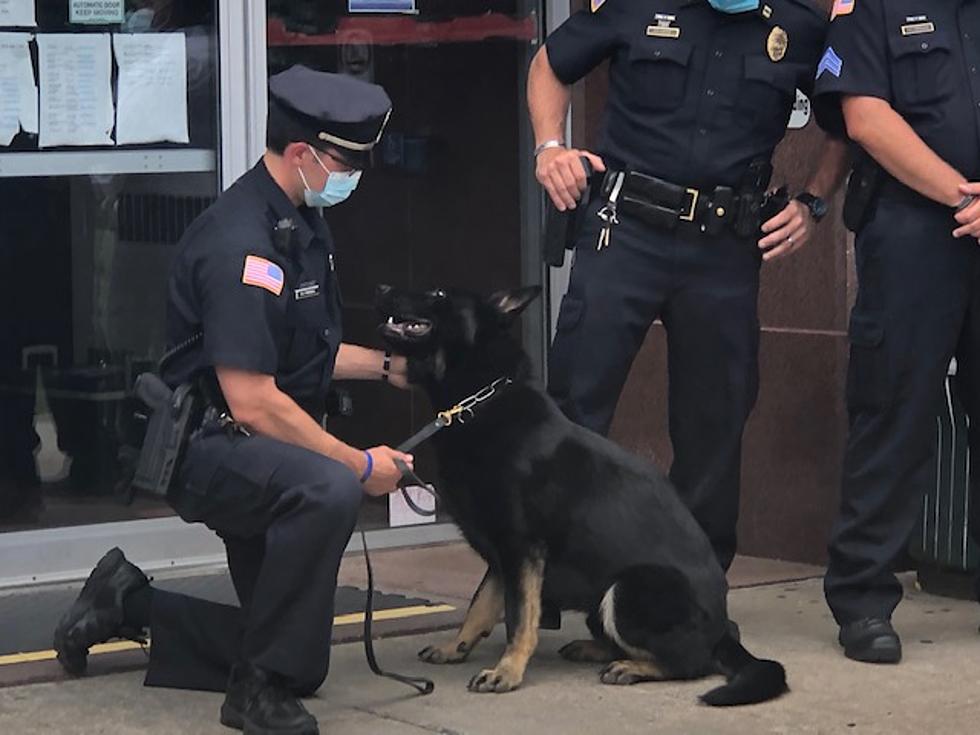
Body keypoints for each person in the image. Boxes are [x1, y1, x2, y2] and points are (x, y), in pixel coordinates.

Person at [52, 65, 413, 735]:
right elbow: (251, 398)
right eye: (348, 162)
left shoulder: (298, 220)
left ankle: (129, 603)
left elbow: (300, 355)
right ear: (303, 154)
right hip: (211, 448)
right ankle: (253, 694)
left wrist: (395, 367)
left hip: (262, 446)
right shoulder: (241, 242)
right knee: (330, 488)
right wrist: (360, 467)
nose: (356, 177)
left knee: (299, 663)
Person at [529, 0, 850, 574]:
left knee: (714, 425)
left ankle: (691, 594)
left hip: (724, 248)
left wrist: (815, 202)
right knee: (575, 406)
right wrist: (549, 148)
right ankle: (542, 586)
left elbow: (848, 114)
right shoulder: (640, 6)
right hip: (624, 233)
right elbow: (550, 63)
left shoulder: (797, 26)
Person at [812, 0, 980, 663]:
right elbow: (866, 118)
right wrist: (964, 197)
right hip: (913, 232)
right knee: (894, 413)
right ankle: (862, 599)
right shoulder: (874, 9)